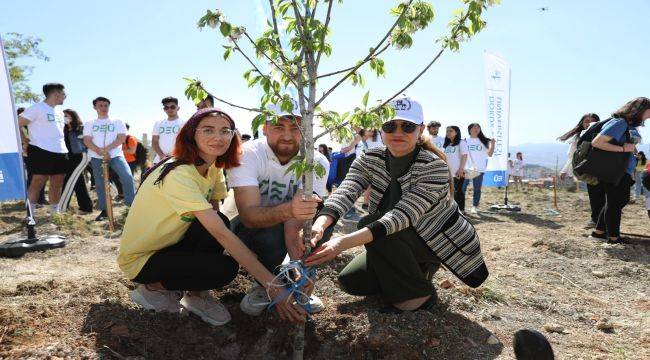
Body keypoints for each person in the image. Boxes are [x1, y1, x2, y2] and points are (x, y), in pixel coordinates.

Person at [118, 108, 307, 325]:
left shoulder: (213, 166)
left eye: (225, 131)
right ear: (192, 133)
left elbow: (215, 224)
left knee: (221, 221)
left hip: (170, 245)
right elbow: (221, 235)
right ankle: (152, 289)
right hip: (143, 259)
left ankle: (196, 296)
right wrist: (273, 286)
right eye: (208, 130)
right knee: (224, 269)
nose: (218, 137)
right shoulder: (179, 174)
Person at [304, 96, 488, 313]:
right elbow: (346, 191)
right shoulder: (370, 158)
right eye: (390, 126)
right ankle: (413, 273)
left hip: (434, 240)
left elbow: (401, 216)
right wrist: (320, 225)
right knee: (351, 281)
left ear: (420, 130)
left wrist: (340, 244)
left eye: (407, 126)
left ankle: (420, 296)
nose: (398, 132)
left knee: (371, 222)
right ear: (381, 130)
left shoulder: (434, 166)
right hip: (395, 238)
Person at [227, 100, 330, 317]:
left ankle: (297, 285)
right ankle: (264, 284)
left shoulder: (315, 161)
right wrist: (291, 210)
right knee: (268, 234)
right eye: (278, 127)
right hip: (249, 227)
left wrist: (301, 269)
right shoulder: (247, 154)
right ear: (264, 128)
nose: (287, 135)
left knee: (320, 224)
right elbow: (249, 216)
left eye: (296, 128)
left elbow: (296, 222)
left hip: (287, 223)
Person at [590, 97, 650, 244]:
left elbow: (625, 142)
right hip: (615, 170)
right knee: (616, 202)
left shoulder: (628, 125)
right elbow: (597, 142)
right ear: (639, 110)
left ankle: (599, 231)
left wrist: (631, 150)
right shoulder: (619, 122)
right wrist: (623, 148)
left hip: (623, 169)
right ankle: (613, 237)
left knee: (617, 200)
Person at [18, 83, 68, 216]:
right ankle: (30, 214)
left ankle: (54, 213)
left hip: (61, 151)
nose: (65, 97)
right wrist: (24, 139)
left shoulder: (59, 111)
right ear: (56, 94)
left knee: (57, 182)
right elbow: (17, 123)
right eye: (64, 94)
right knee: (38, 181)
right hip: (40, 150)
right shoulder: (37, 108)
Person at [83, 97, 136, 221]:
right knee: (100, 183)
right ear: (95, 107)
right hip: (96, 157)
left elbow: (122, 138)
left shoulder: (117, 121)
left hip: (116, 155)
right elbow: (87, 140)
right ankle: (105, 210)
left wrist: (107, 149)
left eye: (106, 105)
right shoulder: (90, 123)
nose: (103, 108)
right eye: (100, 105)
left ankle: (131, 207)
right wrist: (100, 151)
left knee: (127, 176)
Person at [559, 113, 602, 227]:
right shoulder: (578, 138)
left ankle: (600, 222)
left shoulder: (602, 135)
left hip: (602, 170)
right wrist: (564, 170)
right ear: (582, 123)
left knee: (602, 196)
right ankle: (595, 219)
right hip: (588, 171)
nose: (589, 123)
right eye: (586, 121)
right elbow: (573, 157)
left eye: (592, 121)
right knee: (594, 195)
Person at [61, 109, 93, 213]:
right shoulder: (63, 129)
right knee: (78, 182)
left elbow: (88, 142)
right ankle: (86, 207)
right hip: (69, 158)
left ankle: (62, 208)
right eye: (63, 116)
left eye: (67, 115)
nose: (65, 117)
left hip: (80, 157)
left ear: (73, 117)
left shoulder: (81, 128)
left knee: (68, 181)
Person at [463, 123, 496, 214]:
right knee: (462, 189)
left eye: (478, 127)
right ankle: (461, 207)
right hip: (466, 168)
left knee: (477, 189)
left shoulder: (483, 141)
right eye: (474, 127)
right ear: (469, 130)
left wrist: (492, 145)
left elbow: (489, 154)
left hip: (479, 169)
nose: (476, 129)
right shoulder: (464, 141)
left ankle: (474, 206)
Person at [152, 97, 185, 165]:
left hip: (177, 161)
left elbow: (186, 142)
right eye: (166, 107)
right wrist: (162, 156)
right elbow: (154, 142)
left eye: (172, 107)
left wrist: (176, 156)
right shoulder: (158, 123)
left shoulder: (184, 124)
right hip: (159, 161)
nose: (169, 109)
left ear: (178, 108)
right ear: (164, 109)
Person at [443, 126, 468, 212]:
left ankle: (461, 209)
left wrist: (461, 169)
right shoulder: (447, 144)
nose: (448, 133)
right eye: (447, 131)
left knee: (458, 191)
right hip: (448, 173)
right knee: (450, 192)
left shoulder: (461, 142)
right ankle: (452, 209)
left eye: (450, 131)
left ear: (456, 132)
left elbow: (465, 156)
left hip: (458, 172)